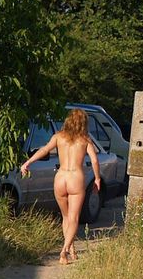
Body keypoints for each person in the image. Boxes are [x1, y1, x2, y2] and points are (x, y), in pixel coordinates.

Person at [20, 109, 101, 265]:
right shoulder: (85, 140)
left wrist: (28, 162)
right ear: (84, 123)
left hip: (60, 178)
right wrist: (97, 179)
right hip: (75, 178)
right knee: (74, 218)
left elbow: (44, 150)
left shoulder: (58, 137)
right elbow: (95, 161)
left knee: (65, 217)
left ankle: (71, 248)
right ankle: (64, 250)